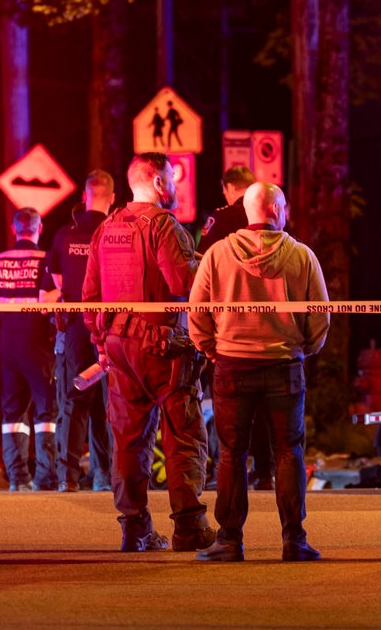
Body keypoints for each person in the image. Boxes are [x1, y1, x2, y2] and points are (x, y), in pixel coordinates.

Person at [188, 182, 330, 563]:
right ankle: (293, 540)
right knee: (289, 453)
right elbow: (320, 315)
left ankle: (230, 540)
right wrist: (305, 348)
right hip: (285, 366)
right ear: (277, 209)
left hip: (232, 365)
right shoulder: (301, 256)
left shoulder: (216, 254)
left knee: (232, 455)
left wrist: (210, 348)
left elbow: (196, 311)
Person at [82, 152, 215, 552]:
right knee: (183, 434)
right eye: (172, 179)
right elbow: (180, 281)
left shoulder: (106, 229)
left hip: (118, 349)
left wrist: (100, 344)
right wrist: (203, 262)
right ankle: (189, 527)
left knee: (128, 438)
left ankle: (134, 528)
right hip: (163, 350)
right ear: (158, 182)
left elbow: (89, 296)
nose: (175, 187)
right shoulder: (163, 226)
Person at [196, 164, 274, 492]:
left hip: (229, 329)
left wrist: (204, 338)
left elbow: (199, 266)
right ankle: (265, 472)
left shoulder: (220, 218)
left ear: (228, 188)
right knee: (267, 408)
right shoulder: (273, 219)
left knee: (231, 408)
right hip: (272, 330)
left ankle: (230, 472)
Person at [0, 207, 59, 492]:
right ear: (39, 228)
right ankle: (46, 478)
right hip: (40, 346)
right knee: (46, 412)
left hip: (9, 345)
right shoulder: (46, 260)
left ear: (14, 229)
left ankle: (18, 478)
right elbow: (57, 303)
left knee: (13, 414)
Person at [43, 172, 115, 492]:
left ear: (85, 196)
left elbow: (54, 285)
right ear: (112, 198)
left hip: (75, 326)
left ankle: (68, 479)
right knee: (109, 402)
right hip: (112, 326)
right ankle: (105, 476)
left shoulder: (63, 235)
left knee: (74, 400)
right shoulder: (117, 232)